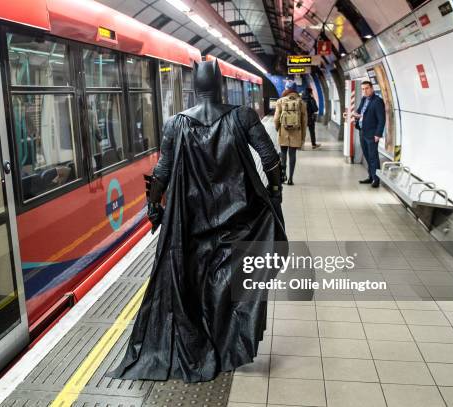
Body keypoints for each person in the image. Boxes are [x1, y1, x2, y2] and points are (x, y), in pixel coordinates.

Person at [107, 60, 287, 383]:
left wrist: (153, 208)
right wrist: (274, 195)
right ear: (219, 85)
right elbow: (270, 159)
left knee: (197, 285)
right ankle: (229, 345)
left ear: (193, 86)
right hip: (240, 220)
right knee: (231, 283)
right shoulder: (242, 116)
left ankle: (203, 345)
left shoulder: (176, 124)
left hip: (192, 223)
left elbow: (161, 173)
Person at [353, 81, 386, 188]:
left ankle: (376, 179)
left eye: (366, 88)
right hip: (362, 131)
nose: (364, 91)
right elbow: (359, 112)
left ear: (372, 88)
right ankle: (371, 176)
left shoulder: (377, 101)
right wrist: (356, 115)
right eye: (362, 89)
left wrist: (378, 134)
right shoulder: (363, 100)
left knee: (373, 157)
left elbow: (382, 119)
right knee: (367, 155)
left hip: (372, 134)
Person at [273, 81, 307, 185]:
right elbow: (304, 121)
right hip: (296, 132)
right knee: (292, 155)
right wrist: (303, 136)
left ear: (286, 88)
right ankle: (291, 178)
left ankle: (283, 175)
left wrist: (277, 128)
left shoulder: (280, 101)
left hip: (284, 132)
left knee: (283, 153)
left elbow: (276, 118)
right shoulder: (301, 102)